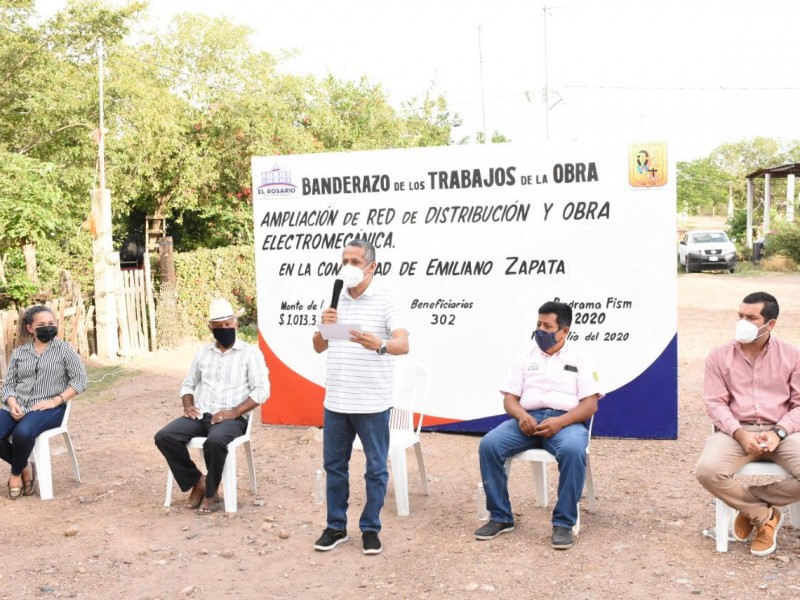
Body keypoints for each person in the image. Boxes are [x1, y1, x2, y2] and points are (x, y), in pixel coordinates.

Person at [474, 301, 603, 550]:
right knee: (489, 444)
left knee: (574, 451)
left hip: (565, 422)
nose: (540, 331)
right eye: (538, 325)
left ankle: (564, 523)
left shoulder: (581, 358)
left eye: (547, 326)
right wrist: (521, 415)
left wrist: (560, 422)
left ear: (564, 331)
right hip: (527, 421)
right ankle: (500, 517)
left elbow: (590, 406)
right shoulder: (526, 357)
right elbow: (509, 398)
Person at [312, 238, 409, 555]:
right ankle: (336, 526)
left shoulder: (386, 299)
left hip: (371, 402)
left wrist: (378, 344)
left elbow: (402, 345)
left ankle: (370, 528)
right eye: (345, 260)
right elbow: (318, 346)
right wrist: (323, 329)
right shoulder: (335, 297)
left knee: (376, 468)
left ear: (372, 267)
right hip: (336, 402)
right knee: (334, 467)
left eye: (355, 261)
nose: (348, 267)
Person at [696, 291, 800, 557]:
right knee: (707, 471)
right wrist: (741, 434)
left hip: (782, 430)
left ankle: (751, 501)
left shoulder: (793, 355)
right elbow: (715, 403)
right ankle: (763, 515)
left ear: (770, 324)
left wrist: (779, 432)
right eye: (740, 315)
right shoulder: (719, 356)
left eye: (751, 317)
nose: (742, 322)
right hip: (736, 431)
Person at [154, 298, 269, 513]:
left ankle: (211, 493)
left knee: (215, 441)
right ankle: (198, 481)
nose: (224, 329)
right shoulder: (202, 353)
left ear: (236, 323)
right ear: (211, 328)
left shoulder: (250, 354)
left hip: (232, 418)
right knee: (164, 437)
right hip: (201, 414)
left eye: (227, 324)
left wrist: (234, 412)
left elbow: (262, 391)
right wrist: (187, 404)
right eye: (218, 327)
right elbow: (188, 384)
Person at [1, 305, 87, 499]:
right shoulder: (20, 353)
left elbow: (80, 381)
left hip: (49, 408)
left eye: (51, 323)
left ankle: (15, 475)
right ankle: (23, 466)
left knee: (22, 432)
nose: (47, 328)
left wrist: (56, 400)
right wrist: (12, 402)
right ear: (30, 328)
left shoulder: (65, 350)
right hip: (17, 405)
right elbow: (8, 385)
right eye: (41, 325)